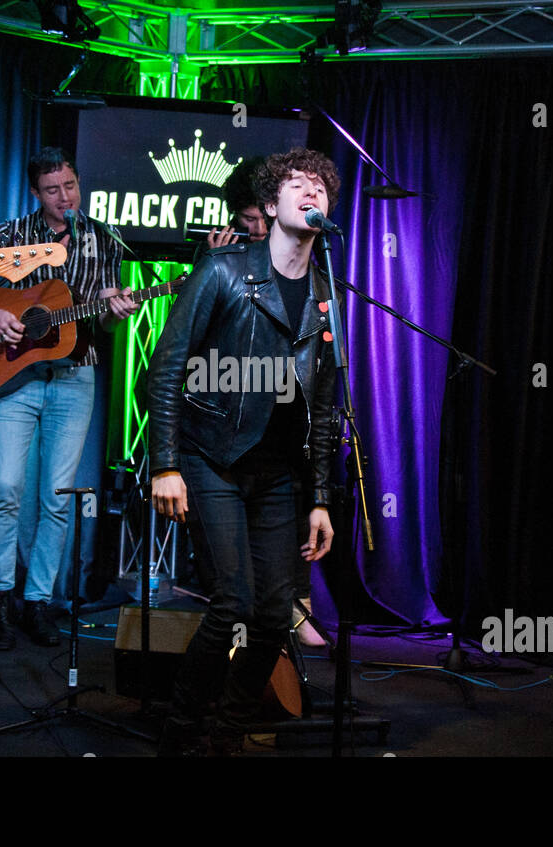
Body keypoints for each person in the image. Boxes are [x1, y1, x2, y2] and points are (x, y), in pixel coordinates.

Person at [148, 148, 340, 755]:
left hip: (281, 473)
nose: (312, 192)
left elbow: (327, 403)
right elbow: (167, 368)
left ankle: (227, 734)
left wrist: (320, 499)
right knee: (233, 600)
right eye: (298, 184)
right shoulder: (224, 271)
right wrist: (166, 464)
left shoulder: (324, 288)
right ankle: (180, 732)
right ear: (270, 202)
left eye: (321, 186)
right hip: (213, 460)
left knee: (273, 612)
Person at [0, 147, 136, 649]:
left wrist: (118, 311)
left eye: (70, 186)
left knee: (57, 497)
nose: (64, 198)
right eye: (52, 190)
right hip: (14, 377)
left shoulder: (103, 239)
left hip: (75, 375)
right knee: (6, 488)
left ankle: (38, 601)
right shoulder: (13, 235)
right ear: (35, 193)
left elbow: (104, 317)